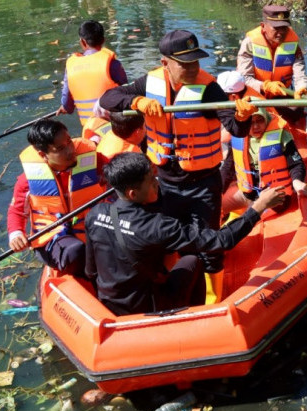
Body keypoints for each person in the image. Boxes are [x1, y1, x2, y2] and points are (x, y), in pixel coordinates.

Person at [99, 29, 258, 274]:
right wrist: (136, 101)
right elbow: (109, 97)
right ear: (165, 63)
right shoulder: (149, 83)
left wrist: (242, 116)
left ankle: (212, 292)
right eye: (185, 63)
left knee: (209, 247)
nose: (193, 68)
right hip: (164, 183)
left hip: (203, 184)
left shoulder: (210, 89)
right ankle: (181, 283)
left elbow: (236, 128)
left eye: (195, 61)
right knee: (171, 241)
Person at [85, 152, 285, 316]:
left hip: (110, 303)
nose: (157, 183)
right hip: (144, 308)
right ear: (132, 194)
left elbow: (91, 271)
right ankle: (192, 316)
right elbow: (222, 240)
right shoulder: (156, 226)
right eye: (150, 181)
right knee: (193, 260)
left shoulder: (95, 214)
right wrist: (257, 208)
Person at [7, 119, 104, 276]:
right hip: (53, 238)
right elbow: (17, 211)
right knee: (76, 252)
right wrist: (16, 234)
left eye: (69, 142)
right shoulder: (27, 181)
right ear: (42, 154)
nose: (70, 150)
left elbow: (116, 170)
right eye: (60, 148)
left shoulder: (93, 160)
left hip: (91, 227)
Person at [223, 106, 307, 217]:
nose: (256, 126)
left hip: (274, 197)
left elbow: (296, 164)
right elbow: (228, 169)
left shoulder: (281, 136)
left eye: (260, 120)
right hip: (247, 194)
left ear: (266, 118)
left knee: (252, 215)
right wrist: (218, 190)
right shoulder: (238, 136)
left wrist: (297, 181)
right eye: (251, 122)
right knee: (216, 206)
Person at [237, 5, 307, 122]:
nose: (281, 32)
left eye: (284, 28)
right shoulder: (249, 43)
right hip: (256, 94)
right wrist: (265, 86)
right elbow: (244, 78)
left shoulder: (293, 45)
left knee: (297, 109)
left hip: (280, 94)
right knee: (254, 115)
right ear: (263, 26)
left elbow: (300, 74)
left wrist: (302, 87)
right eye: (276, 28)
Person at [57, 20, 128, 127]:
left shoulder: (71, 66)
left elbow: (67, 104)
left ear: (82, 42)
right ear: (103, 40)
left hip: (90, 128)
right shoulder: (113, 64)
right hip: (115, 125)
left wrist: (65, 107)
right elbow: (127, 92)